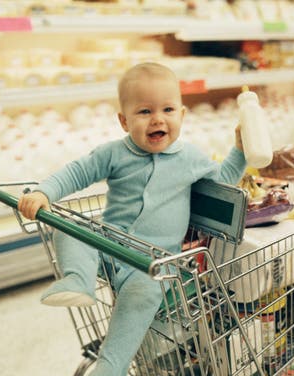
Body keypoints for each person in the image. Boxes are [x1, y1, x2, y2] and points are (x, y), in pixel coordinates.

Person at [17, 62, 247, 376]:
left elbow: (223, 182)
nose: (157, 119)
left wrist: (241, 151)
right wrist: (44, 193)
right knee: (68, 228)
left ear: (182, 115)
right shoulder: (113, 154)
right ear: (124, 121)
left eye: (167, 109)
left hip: (151, 264)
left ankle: (110, 368)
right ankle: (78, 280)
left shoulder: (190, 158)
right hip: (106, 244)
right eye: (144, 112)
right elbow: (76, 172)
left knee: (145, 294)